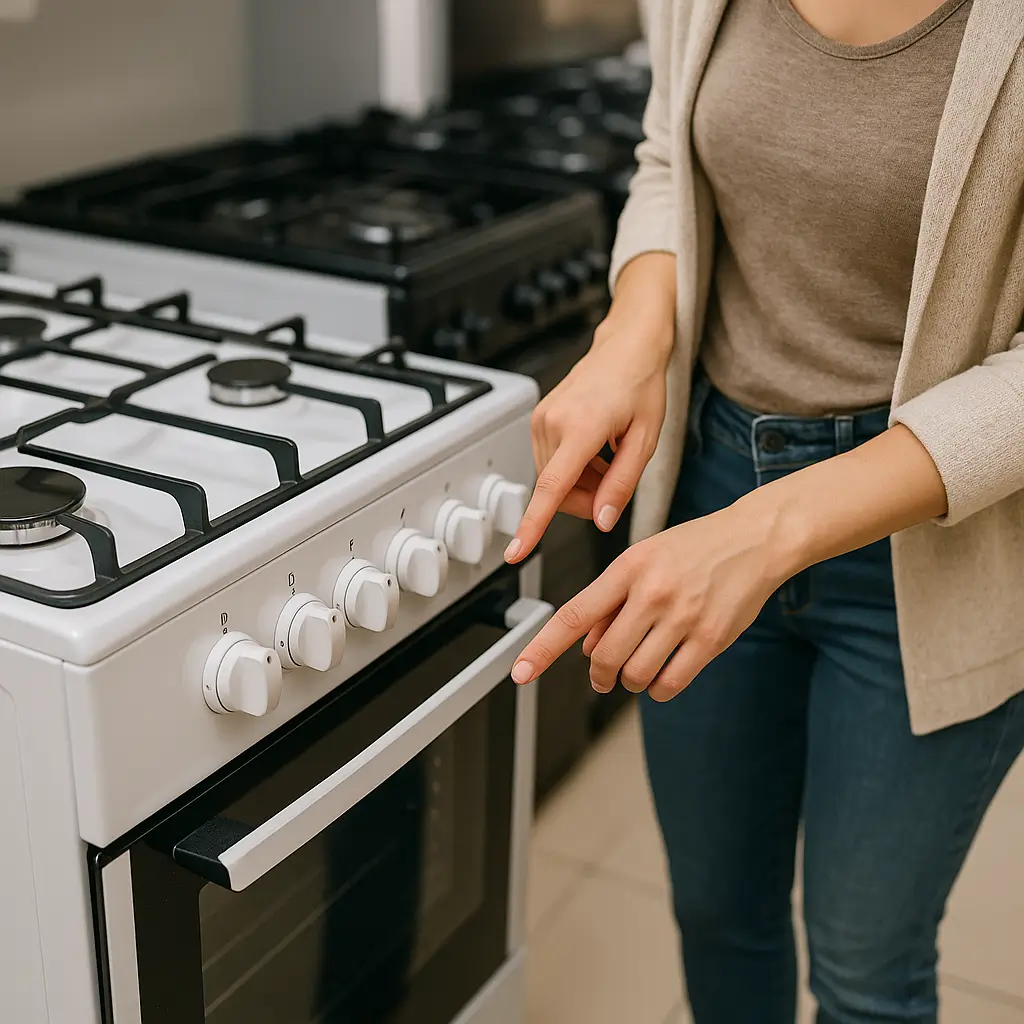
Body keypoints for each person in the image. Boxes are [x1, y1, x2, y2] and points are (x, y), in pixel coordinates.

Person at [503, 0, 1024, 1021]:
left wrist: (770, 529)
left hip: (931, 549)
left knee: (865, 972)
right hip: (707, 481)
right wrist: (631, 329)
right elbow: (668, 155)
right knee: (716, 911)